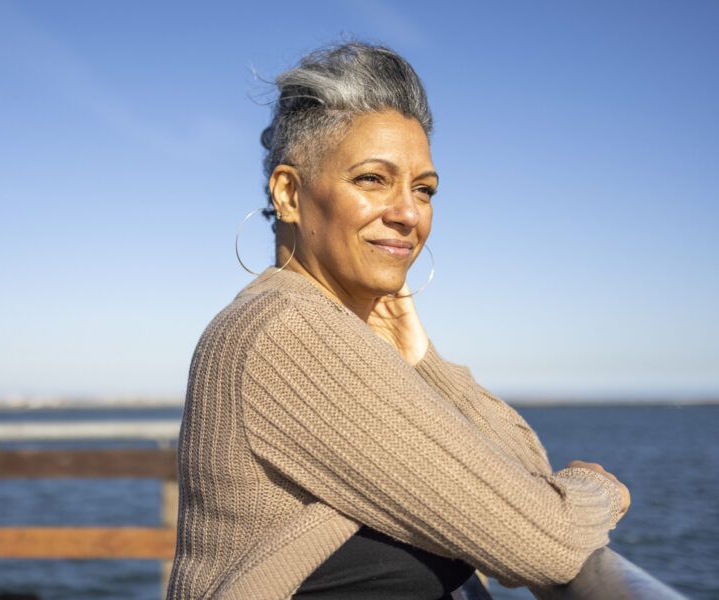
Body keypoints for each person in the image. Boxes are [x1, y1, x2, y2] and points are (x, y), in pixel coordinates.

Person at [166, 40, 631, 599]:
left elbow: (528, 477)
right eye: (371, 179)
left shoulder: (327, 329)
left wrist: (422, 361)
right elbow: (547, 541)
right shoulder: (287, 333)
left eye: (424, 189)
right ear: (289, 193)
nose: (409, 213)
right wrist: (599, 489)